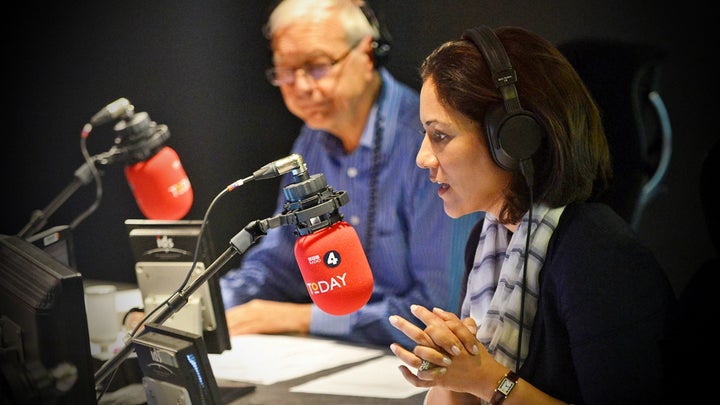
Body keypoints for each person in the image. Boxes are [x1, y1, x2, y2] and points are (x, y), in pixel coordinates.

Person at [387, 25, 676, 404]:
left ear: (513, 139)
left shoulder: (597, 252)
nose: (422, 158)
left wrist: (489, 380)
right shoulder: (488, 240)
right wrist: (449, 370)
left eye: (439, 135)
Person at [219, 0, 478, 347]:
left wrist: (298, 318)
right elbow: (277, 264)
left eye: (317, 66)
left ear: (368, 55)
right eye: (285, 70)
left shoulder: (428, 143)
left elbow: (437, 310)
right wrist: (200, 307)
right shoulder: (312, 139)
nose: (301, 87)